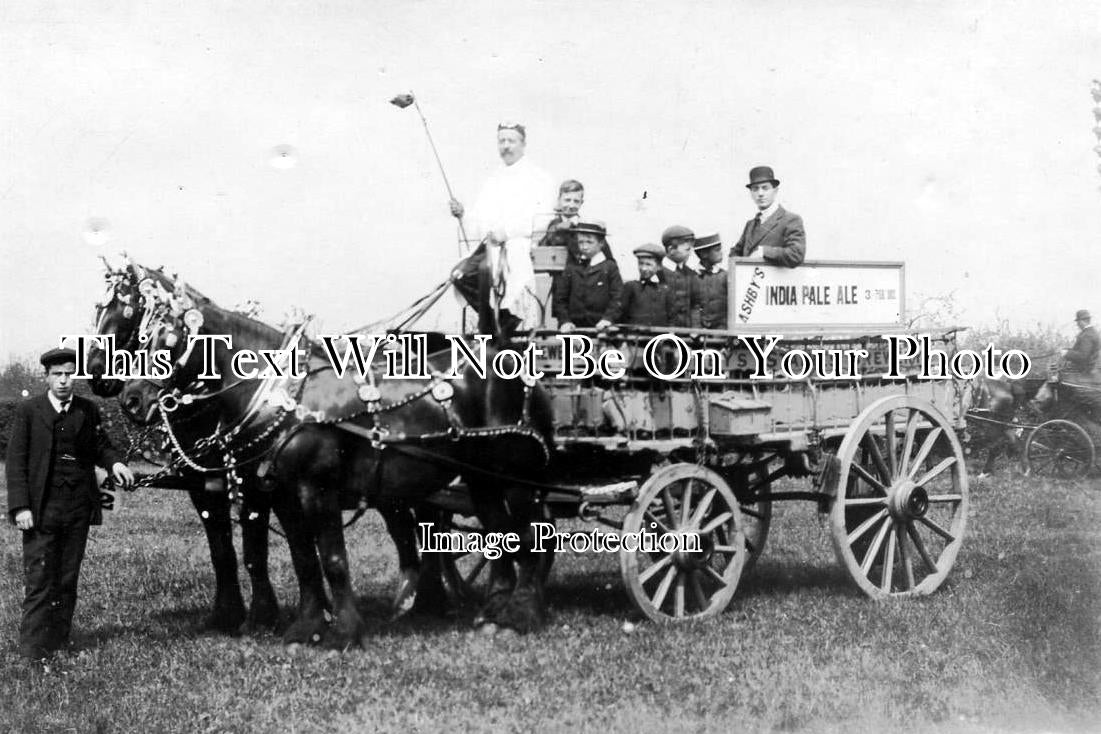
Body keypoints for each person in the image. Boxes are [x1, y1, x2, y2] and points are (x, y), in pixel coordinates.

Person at [6, 347, 134, 660]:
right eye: (57, 375)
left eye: (68, 374)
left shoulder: (86, 410)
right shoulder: (29, 410)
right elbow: (16, 461)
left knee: (66, 578)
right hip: (41, 509)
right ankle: (32, 652)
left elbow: (100, 445)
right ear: (46, 377)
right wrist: (21, 507)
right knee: (40, 580)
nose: (63, 381)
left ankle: (59, 643)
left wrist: (115, 463)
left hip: (77, 507)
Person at [449, 122, 556, 338]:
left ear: (523, 144)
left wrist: (506, 232)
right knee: (460, 276)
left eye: (511, 141)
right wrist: (463, 214)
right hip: (490, 247)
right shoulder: (493, 179)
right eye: (502, 141)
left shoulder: (538, 178)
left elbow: (541, 218)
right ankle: (493, 322)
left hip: (520, 244)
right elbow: (479, 217)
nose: (506, 146)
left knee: (502, 277)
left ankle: (506, 323)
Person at [553, 220, 623, 332]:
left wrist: (608, 319)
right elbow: (560, 298)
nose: (584, 246)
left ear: (601, 243)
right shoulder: (572, 268)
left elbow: (618, 297)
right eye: (581, 242)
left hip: (601, 328)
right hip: (574, 328)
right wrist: (565, 321)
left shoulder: (609, 267)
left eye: (589, 242)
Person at [732, 166, 806, 267]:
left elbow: (796, 254)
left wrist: (764, 252)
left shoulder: (791, 220)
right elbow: (735, 253)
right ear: (751, 194)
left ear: (775, 191)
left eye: (765, 188)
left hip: (775, 282)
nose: (760, 193)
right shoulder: (750, 225)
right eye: (755, 189)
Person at [621, 242, 674, 326]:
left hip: (658, 336)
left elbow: (671, 317)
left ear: (659, 266)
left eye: (648, 264)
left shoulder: (665, 290)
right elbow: (621, 312)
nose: (643, 268)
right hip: (634, 336)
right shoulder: (630, 286)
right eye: (641, 263)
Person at [658, 224, 699, 328]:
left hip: (687, 336)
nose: (690, 254)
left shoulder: (692, 274)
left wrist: (695, 328)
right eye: (687, 250)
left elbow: (695, 305)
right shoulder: (658, 274)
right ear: (671, 249)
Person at [692, 232, 727, 329]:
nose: (721, 252)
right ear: (704, 254)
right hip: (698, 335)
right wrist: (696, 329)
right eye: (717, 250)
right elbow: (693, 307)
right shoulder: (692, 277)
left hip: (722, 332)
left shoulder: (725, 276)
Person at [1063, 309, 1100, 375]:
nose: (1077, 324)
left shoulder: (1087, 335)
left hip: (1086, 372)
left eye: (1077, 322)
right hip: (1092, 370)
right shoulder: (1092, 332)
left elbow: (1083, 356)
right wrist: (1067, 351)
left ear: (1081, 321)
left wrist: (1066, 353)